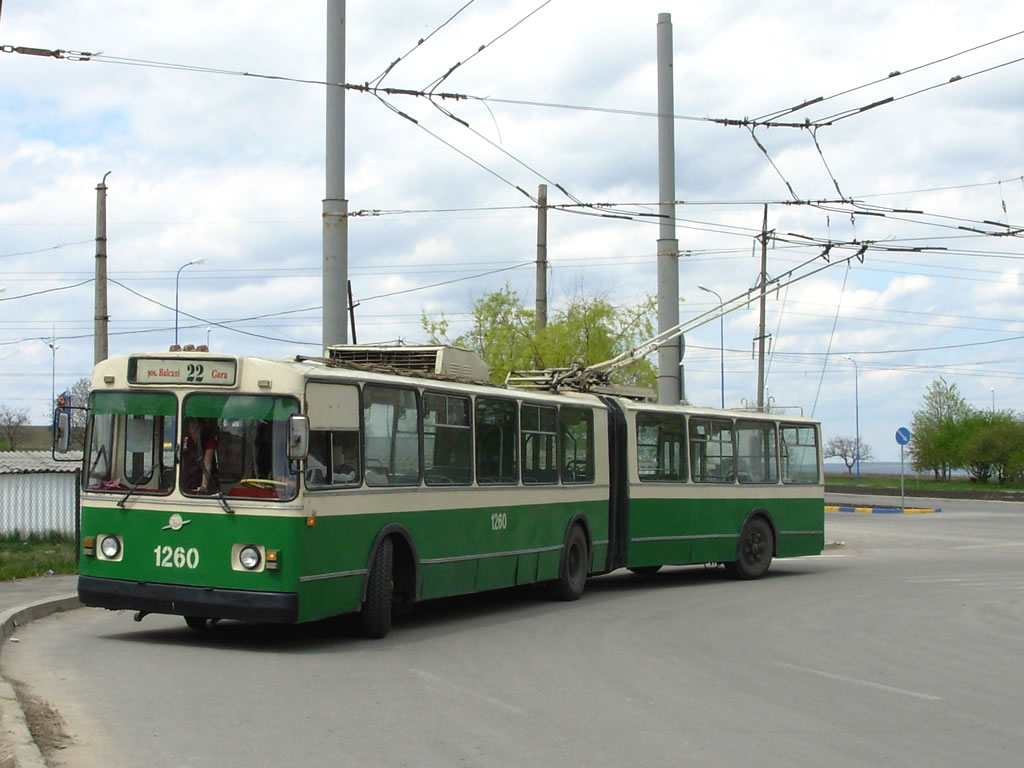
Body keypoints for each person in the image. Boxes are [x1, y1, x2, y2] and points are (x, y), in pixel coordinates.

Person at [181, 417, 217, 493]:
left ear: (201, 427)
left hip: (204, 480)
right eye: (192, 427)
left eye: (197, 427)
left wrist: (204, 485)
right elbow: (182, 463)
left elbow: (207, 464)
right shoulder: (186, 441)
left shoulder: (209, 441)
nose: (195, 430)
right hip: (188, 480)